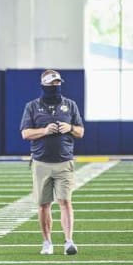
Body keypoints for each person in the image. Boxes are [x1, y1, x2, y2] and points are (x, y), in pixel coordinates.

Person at [20, 69, 85, 255]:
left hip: (64, 162)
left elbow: (81, 132)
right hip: (41, 162)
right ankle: (47, 242)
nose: (57, 86)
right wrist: (45, 130)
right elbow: (25, 133)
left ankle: (69, 241)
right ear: (45, 85)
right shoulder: (32, 106)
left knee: (65, 201)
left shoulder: (70, 105)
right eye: (53, 83)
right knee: (43, 204)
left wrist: (69, 127)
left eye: (58, 83)